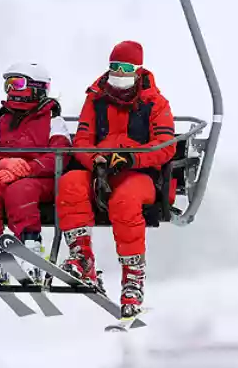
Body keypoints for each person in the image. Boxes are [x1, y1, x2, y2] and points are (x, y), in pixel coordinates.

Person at [57, 40, 176, 318]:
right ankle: (82, 258)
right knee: (71, 183)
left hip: (139, 173)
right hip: (101, 169)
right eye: (113, 67)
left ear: (137, 70)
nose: (118, 74)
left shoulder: (155, 103)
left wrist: (132, 158)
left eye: (124, 68)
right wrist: (94, 158)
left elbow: (165, 145)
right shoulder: (96, 98)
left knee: (125, 200)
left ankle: (133, 279)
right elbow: (83, 140)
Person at [0, 62, 71, 284]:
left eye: (18, 83)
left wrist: (26, 169)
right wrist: (2, 163)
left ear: (36, 87)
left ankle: (31, 249)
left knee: (20, 191)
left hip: (41, 181)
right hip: (5, 176)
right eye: (8, 84)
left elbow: (59, 156)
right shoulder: (2, 121)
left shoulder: (53, 121)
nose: (11, 89)